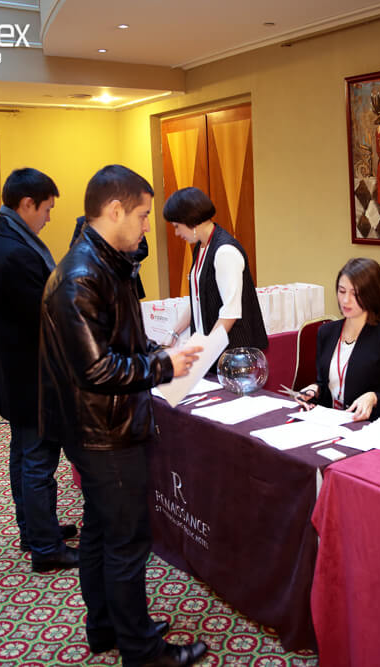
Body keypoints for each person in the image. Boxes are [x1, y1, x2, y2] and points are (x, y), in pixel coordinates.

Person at [39, 165, 208, 667]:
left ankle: (106, 627)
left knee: (100, 531)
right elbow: (97, 368)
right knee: (127, 542)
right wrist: (163, 365)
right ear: (114, 210)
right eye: (141, 215)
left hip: (95, 424)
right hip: (103, 430)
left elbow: (117, 338)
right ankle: (141, 651)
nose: (146, 226)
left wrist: (155, 350)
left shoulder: (104, 262)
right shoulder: (82, 275)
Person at [0, 167, 79, 573]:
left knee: (23, 454)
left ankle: (34, 530)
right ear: (26, 204)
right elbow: (46, 314)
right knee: (39, 461)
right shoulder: (17, 253)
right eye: (47, 209)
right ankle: (46, 547)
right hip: (34, 376)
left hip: (16, 372)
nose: (49, 218)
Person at [296, 258, 380, 421]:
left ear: (372, 295)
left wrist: (374, 397)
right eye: (342, 291)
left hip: (365, 426)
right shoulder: (326, 332)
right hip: (329, 422)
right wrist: (314, 390)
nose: (345, 300)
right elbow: (324, 384)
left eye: (355, 293)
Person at [163, 187, 268, 352]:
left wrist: (207, 351)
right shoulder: (201, 247)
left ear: (190, 220)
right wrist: (174, 333)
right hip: (213, 347)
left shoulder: (225, 251)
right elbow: (197, 298)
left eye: (177, 226)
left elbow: (230, 313)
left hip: (233, 351)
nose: (176, 233)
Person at [71, 215, 148, 298]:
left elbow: (143, 249)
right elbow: (75, 250)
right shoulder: (83, 222)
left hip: (125, 282)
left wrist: (118, 260)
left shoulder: (128, 220)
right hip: (97, 283)